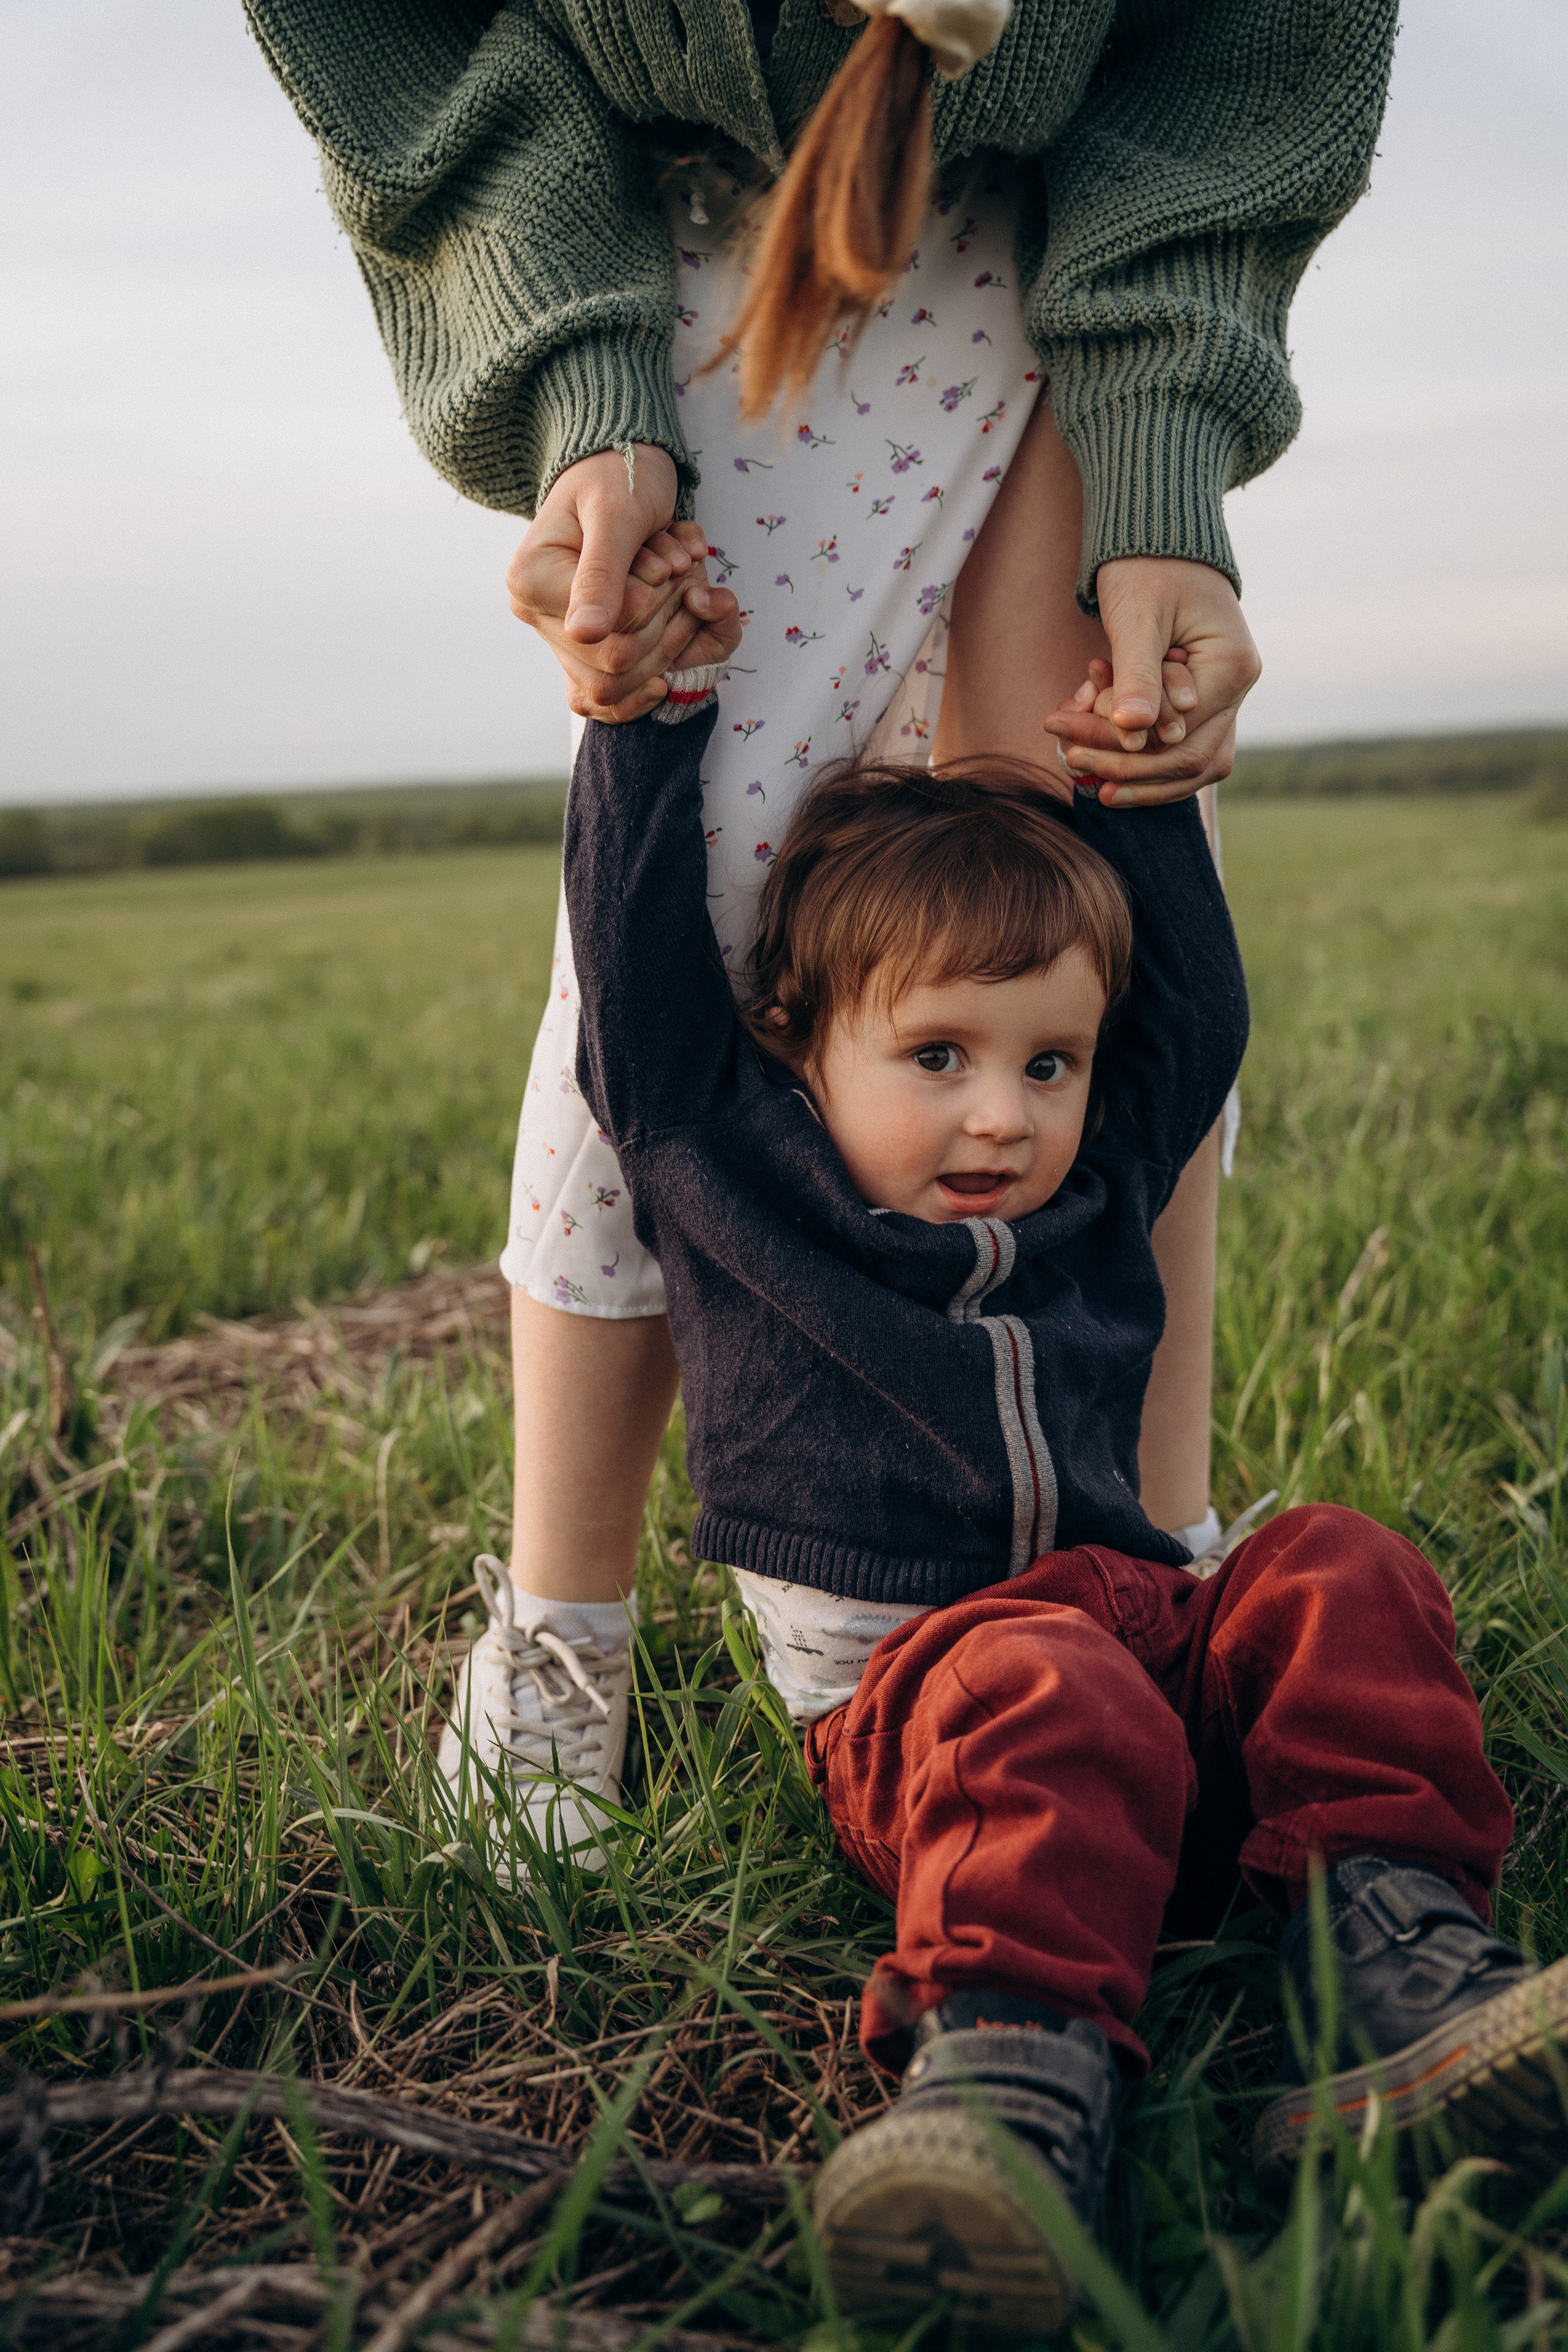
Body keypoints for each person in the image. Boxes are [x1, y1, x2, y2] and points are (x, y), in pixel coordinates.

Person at [248, 0, 1399, 1838]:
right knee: (688, 945)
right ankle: (563, 1638)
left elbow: (1255, 49)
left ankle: (1163, 1550)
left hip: (1076, 262)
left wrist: (1159, 460)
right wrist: (583, 400)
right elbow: (416, 49)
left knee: (1071, 924)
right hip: (704, 264)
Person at [453, 665, 1559, 2331]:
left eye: (1052, 1065)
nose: (1003, 1112)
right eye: (941, 1053)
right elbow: (637, 992)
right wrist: (642, 729)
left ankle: (1392, 1965)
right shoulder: (740, 1175)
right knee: (1040, 1687)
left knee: (1334, 1561)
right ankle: (1011, 2086)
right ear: (800, 1045)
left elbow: (1192, 1025)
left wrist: (1146, 798)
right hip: (931, 1700)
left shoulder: (1094, 1182)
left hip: (1141, 1640)